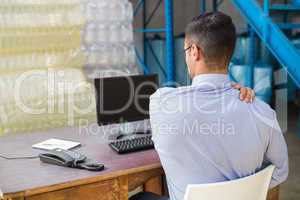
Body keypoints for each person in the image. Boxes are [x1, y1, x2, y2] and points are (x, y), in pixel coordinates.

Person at [131, 12, 289, 200]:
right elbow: (280, 170)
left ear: (194, 51)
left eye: (186, 52)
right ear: (230, 53)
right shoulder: (263, 112)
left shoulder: (161, 103)